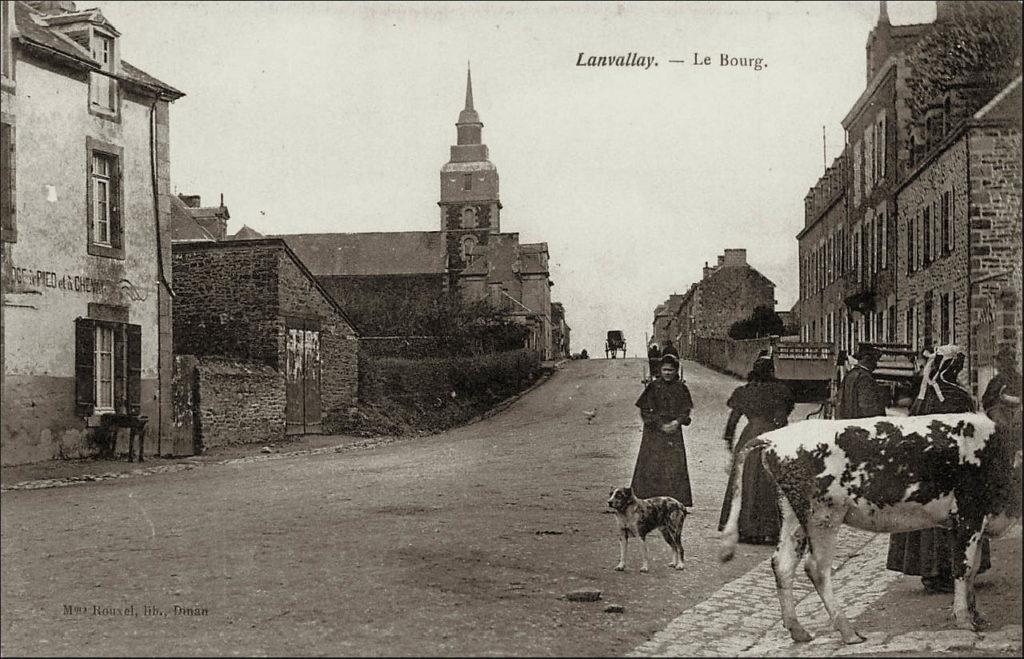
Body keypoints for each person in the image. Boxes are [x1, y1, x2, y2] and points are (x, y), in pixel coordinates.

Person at [886, 344, 990, 593]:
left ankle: (930, 573)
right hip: (951, 467)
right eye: (959, 364)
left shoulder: (925, 396)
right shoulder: (956, 396)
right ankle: (948, 571)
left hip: (926, 468)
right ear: (952, 366)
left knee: (927, 517)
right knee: (952, 517)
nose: (961, 368)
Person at [717, 356, 794, 544]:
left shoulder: (745, 392)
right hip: (772, 437)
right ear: (771, 371)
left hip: (749, 437)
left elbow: (733, 419)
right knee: (769, 481)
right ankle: (770, 530)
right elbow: (782, 419)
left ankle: (744, 528)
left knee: (745, 480)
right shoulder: (780, 391)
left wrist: (729, 440)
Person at [632, 354, 694, 507]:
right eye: (665, 370)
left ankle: (675, 500)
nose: (667, 373)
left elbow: (685, 410)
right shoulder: (653, 387)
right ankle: (648, 499)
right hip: (654, 432)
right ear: (660, 370)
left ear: (676, 371)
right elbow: (645, 410)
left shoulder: (681, 388)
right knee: (651, 463)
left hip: (673, 433)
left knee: (674, 465)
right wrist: (659, 424)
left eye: (671, 370)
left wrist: (676, 422)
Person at [837, 344, 886, 419]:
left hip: (848, 422)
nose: (875, 365)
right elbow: (868, 409)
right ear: (867, 359)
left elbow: (840, 400)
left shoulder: (850, 375)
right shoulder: (865, 378)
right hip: (861, 424)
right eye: (874, 361)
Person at [982, 343, 1022, 413]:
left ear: (1004, 363)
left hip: (1003, 417)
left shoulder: (998, 379)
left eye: (998, 361)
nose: (996, 365)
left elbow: (986, 402)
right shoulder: (1019, 378)